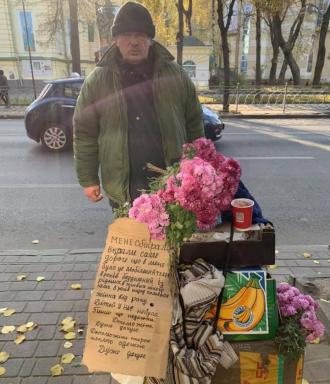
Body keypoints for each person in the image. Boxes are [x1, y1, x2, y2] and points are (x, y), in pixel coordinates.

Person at [73, 1, 204, 207]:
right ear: (115, 39)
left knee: (172, 239)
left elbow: (194, 124)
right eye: (126, 35)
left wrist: (197, 168)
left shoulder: (176, 75)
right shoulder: (97, 81)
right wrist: (88, 179)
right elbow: (84, 132)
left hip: (171, 185)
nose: (134, 42)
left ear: (150, 40)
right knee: (130, 239)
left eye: (140, 35)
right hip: (123, 189)